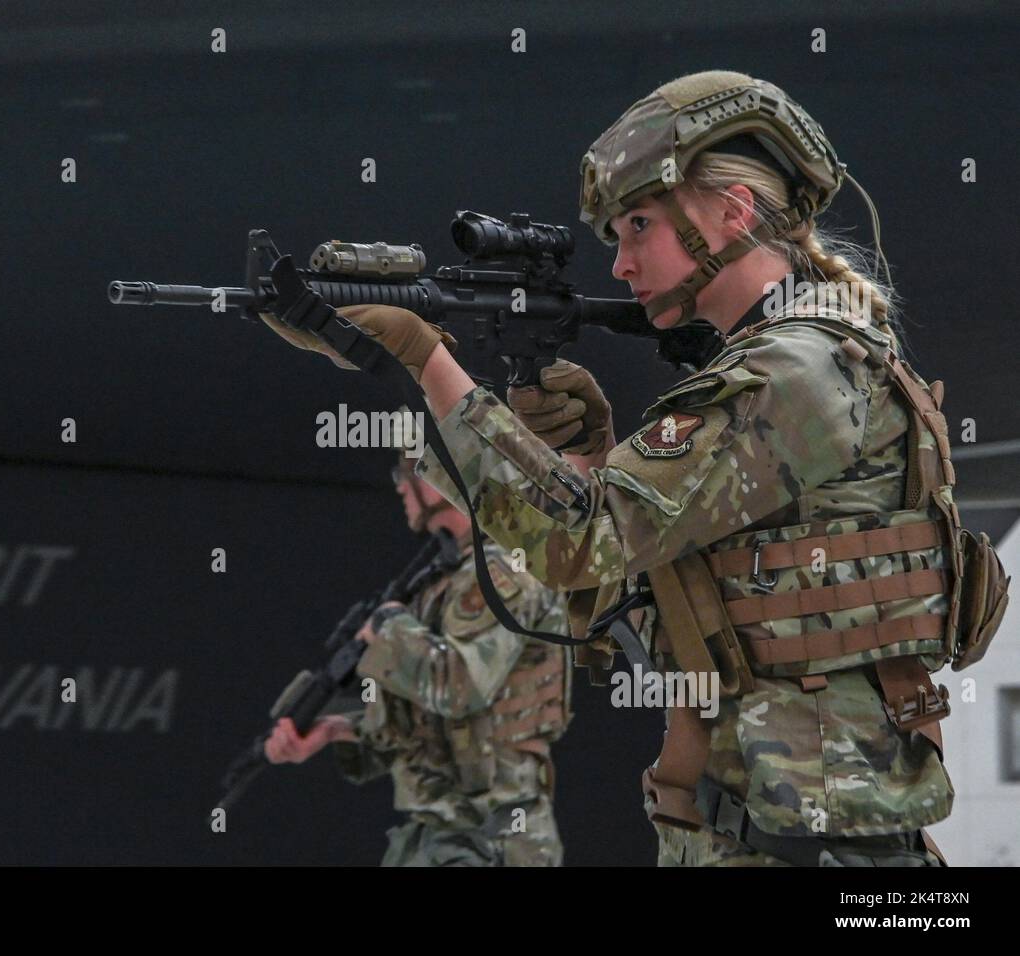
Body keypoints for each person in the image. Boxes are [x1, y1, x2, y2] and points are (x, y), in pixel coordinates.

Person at [262, 71, 1004, 866]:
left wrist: (426, 359)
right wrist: (587, 459)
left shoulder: (794, 371)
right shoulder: (806, 355)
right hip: (782, 837)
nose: (618, 265)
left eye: (638, 225)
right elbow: (664, 606)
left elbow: (578, 543)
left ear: (733, 213)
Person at [263, 439, 573, 866]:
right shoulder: (442, 579)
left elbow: (459, 685)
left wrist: (387, 629)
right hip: (438, 836)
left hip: (490, 839)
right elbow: (427, 722)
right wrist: (337, 730)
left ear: (437, 482)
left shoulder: (502, 573)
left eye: (404, 474)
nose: (400, 488)